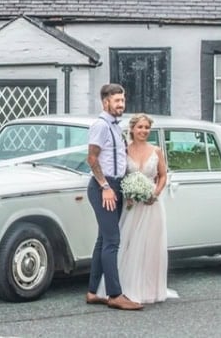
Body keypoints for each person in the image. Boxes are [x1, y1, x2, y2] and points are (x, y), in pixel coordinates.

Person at [96, 113, 176, 304]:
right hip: (131, 205)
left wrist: (154, 194)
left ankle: (149, 289)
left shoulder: (156, 151)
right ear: (132, 129)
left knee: (150, 247)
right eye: (140, 127)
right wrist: (129, 195)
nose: (143, 131)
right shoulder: (124, 150)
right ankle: (127, 287)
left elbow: (163, 176)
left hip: (151, 206)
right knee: (128, 244)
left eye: (147, 128)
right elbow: (120, 175)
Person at [84, 83, 143, 311]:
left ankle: (92, 292)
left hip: (116, 185)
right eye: (117, 101)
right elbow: (91, 158)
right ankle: (115, 294)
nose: (121, 105)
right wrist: (105, 187)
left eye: (123, 100)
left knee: (102, 241)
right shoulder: (100, 125)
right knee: (112, 241)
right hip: (103, 187)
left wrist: (124, 187)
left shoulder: (116, 127)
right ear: (105, 102)